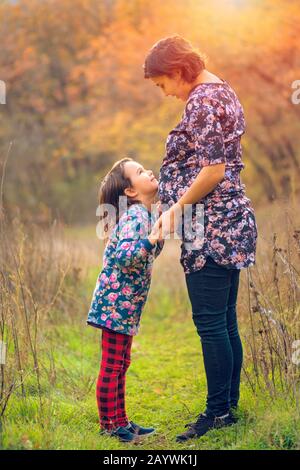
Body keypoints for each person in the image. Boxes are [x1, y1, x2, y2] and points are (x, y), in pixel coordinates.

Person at [144, 35, 258, 442]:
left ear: (177, 71)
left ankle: (216, 414)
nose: (165, 93)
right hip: (227, 222)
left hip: (212, 228)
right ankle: (228, 409)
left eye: (162, 85)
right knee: (224, 322)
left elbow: (213, 170)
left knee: (212, 324)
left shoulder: (203, 99)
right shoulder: (220, 89)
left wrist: (175, 210)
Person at [87, 157, 163, 443]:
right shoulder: (133, 217)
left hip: (125, 306)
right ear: (130, 191)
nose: (149, 171)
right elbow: (126, 257)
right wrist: (152, 239)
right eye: (141, 172)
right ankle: (109, 424)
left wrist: (156, 234)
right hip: (115, 305)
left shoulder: (143, 215)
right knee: (112, 364)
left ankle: (121, 420)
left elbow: (145, 254)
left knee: (121, 361)